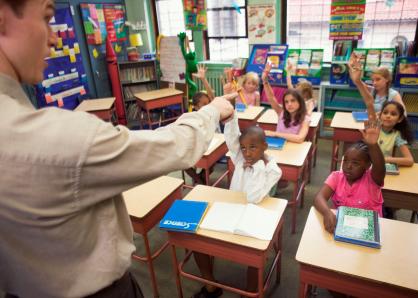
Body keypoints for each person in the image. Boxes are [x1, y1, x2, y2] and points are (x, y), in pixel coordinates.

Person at [0, 1, 234, 297]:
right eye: (46, 17)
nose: (54, 37)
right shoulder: (57, 138)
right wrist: (211, 111)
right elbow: (176, 146)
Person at [192, 115, 282, 298]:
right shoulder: (240, 158)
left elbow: (254, 197)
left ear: (264, 147)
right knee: (196, 235)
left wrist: (256, 168)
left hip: (253, 215)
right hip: (230, 211)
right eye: (244, 148)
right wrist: (231, 116)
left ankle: (249, 292)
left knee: (253, 254)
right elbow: (232, 139)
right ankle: (210, 285)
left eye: (253, 147)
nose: (247, 153)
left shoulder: (273, 170)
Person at [314, 119, 386, 233]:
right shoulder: (336, 177)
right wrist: (327, 212)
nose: (348, 166)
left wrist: (373, 145)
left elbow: (380, 168)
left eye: (355, 163)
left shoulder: (372, 180)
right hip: (344, 228)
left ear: (368, 165)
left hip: (368, 231)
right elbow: (319, 198)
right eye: (345, 160)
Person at [262, 62, 310, 143]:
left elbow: (300, 138)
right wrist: (265, 80)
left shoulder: (305, 119)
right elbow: (271, 97)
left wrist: (276, 134)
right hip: (278, 147)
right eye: (286, 102)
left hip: (293, 151)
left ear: (300, 102)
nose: (289, 104)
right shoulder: (281, 112)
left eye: (293, 101)